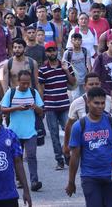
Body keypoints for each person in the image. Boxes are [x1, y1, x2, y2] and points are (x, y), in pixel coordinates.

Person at [66, 87, 112, 206]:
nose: (100, 106)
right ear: (88, 102)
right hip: (90, 178)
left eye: (103, 103)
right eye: (96, 103)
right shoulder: (79, 126)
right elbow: (75, 157)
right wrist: (71, 182)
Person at [1, 70, 44, 191]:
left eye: (28, 83)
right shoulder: (11, 92)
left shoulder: (33, 92)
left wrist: (35, 107)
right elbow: (2, 109)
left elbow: (41, 111)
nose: (25, 86)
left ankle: (34, 181)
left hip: (31, 132)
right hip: (14, 132)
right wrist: (17, 108)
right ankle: (19, 179)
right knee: (17, 157)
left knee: (31, 155)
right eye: (23, 83)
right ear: (18, 81)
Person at [39, 40, 76, 170]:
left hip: (64, 105)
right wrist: (42, 106)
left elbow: (72, 82)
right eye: (49, 51)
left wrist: (66, 71)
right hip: (50, 107)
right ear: (46, 53)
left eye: (53, 50)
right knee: (54, 134)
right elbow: (41, 89)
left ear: (57, 51)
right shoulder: (42, 70)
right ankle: (59, 160)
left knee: (69, 132)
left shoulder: (66, 65)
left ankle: (66, 153)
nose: (52, 52)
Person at [63, 32, 92, 99]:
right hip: (74, 79)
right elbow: (64, 65)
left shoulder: (85, 51)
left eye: (79, 40)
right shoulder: (67, 53)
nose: (77, 42)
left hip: (84, 78)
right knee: (75, 97)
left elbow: (89, 64)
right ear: (71, 41)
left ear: (81, 41)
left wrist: (89, 77)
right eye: (75, 40)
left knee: (85, 97)